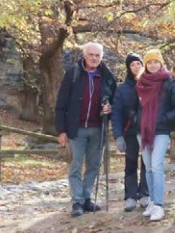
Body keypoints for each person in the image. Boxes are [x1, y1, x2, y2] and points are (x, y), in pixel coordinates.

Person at [55, 42, 117, 217]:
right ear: (84, 55)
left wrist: (109, 108)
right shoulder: (72, 74)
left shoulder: (107, 76)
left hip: (98, 128)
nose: (94, 58)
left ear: (101, 57)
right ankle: (77, 201)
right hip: (76, 129)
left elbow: (115, 101)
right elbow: (60, 105)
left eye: (98, 55)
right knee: (75, 165)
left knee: (94, 165)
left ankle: (86, 198)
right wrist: (61, 130)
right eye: (91, 55)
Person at [137, 49, 175, 221]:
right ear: (146, 65)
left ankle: (159, 205)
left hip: (161, 130)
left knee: (157, 165)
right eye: (149, 62)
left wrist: (164, 119)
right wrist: (138, 119)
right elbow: (135, 106)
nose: (153, 65)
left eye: (156, 62)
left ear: (161, 63)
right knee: (148, 167)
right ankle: (151, 201)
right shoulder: (141, 82)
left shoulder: (169, 82)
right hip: (143, 131)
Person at [111, 53, 149, 211]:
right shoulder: (122, 89)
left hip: (147, 130)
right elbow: (117, 113)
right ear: (128, 67)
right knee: (131, 163)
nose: (136, 67)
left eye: (138, 64)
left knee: (147, 163)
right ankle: (131, 196)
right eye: (132, 64)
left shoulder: (149, 84)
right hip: (130, 131)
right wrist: (118, 135)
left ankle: (145, 193)